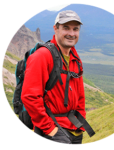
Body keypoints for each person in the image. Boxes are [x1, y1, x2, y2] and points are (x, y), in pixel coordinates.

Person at [21, 10, 88, 144]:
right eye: (66, 28)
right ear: (55, 29)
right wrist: (50, 130)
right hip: (52, 131)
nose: (71, 34)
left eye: (76, 29)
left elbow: (79, 94)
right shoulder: (42, 56)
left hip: (74, 129)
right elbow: (29, 96)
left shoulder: (75, 57)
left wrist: (81, 122)